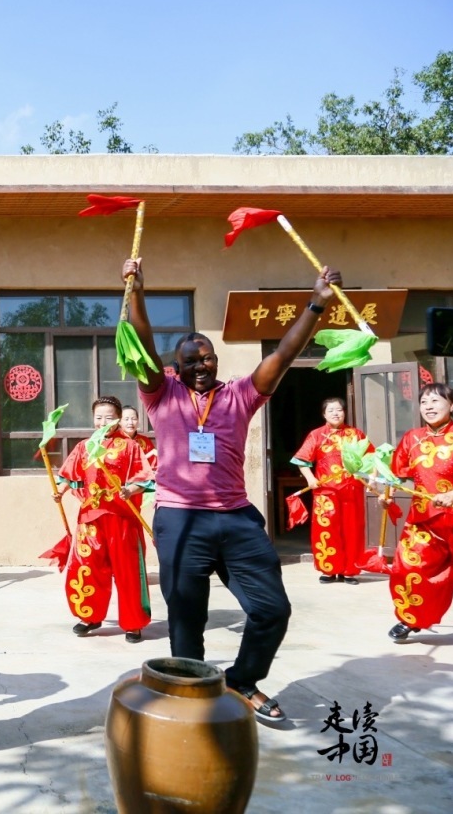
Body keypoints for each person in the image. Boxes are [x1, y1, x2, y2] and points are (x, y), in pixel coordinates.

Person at [123, 255, 341, 726]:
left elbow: (281, 356)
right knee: (187, 621)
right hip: (180, 518)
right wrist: (137, 291)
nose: (200, 365)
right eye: (189, 361)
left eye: (206, 358)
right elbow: (141, 345)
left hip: (236, 517)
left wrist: (316, 305)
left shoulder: (240, 393)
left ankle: (243, 679)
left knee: (272, 610)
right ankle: (191, 694)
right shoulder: (162, 395)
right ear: (174, 368)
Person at [54, 396, 153, 644]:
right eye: (98, 417)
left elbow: (144, 479)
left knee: (128, 571)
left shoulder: (130, 447)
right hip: (90, 518)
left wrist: (130, 490)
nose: (102, 422)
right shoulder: (84, 447)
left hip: (121, 520)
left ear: (118, 419)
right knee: (87, 568)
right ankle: (91, 616)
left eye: (108, 418)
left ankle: (133, 623)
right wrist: (61, 490)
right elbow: (69, 475)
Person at [379, 382, 453, 642]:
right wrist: (385, 496)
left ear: (451, 405)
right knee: (409, 567)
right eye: (424, 402)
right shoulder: (412, 438)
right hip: (424, 520)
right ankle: (411, 618)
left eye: (436, 401)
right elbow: (396, 476)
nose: (429, 406)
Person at [292, 397, 369, 585]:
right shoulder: (316, 435)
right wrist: (311, 479)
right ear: (324, 414)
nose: (336, 413)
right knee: (325, 530)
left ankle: (350, 570)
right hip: (325, 493)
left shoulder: (356, 434)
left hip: (351, 491)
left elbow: (370, 459)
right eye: (331, 410)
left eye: (339, 410)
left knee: (352, 530)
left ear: (344, 413)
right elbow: (302, 460)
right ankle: (329, 569)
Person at [120, 404, 158, 471]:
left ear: (138, 421)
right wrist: (148, 455)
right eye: (126, 419)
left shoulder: (145, 440)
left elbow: (154, 465)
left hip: (145, 479)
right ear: (119, 422)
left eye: (134, 419)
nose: (130, 422)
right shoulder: (114, 441)